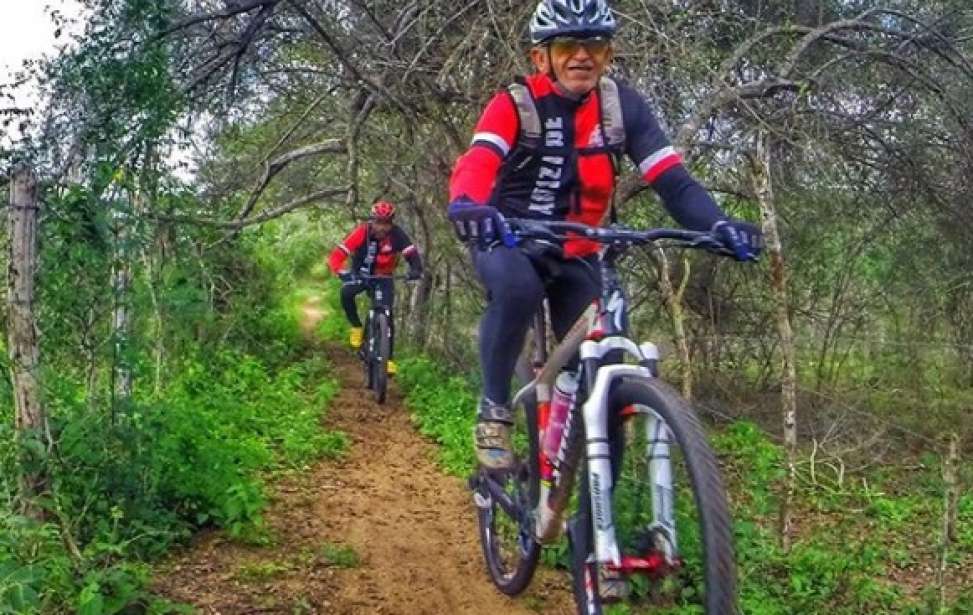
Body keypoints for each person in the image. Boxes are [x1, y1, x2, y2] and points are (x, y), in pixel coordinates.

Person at [447, 0, 763, 470]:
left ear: (608, 53)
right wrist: (469, 205)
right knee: (518, 288)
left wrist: (717, 224)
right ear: (542, 57)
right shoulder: (515, 104)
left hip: (582, 251)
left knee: (606, 381)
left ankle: (591, 530)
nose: (582, 55)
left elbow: (673, 180)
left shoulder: (621, 106)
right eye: (568, 45)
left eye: (593, 44)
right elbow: (480, 160)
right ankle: (494, 408)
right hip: (511, 240)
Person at [328, 200, 423, 375]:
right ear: (372, 221)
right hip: (361, 274)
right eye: (378, 222)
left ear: (391, 223)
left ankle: (389, 359)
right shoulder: (362, 232)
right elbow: (337, 255)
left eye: (386, 223)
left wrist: (416, 270)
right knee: (346, 293)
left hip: (384, 277)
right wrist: (340, 271)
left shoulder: (397, 235)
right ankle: (356, 326)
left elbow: (411, 254)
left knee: (386, 313)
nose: (382, 228)